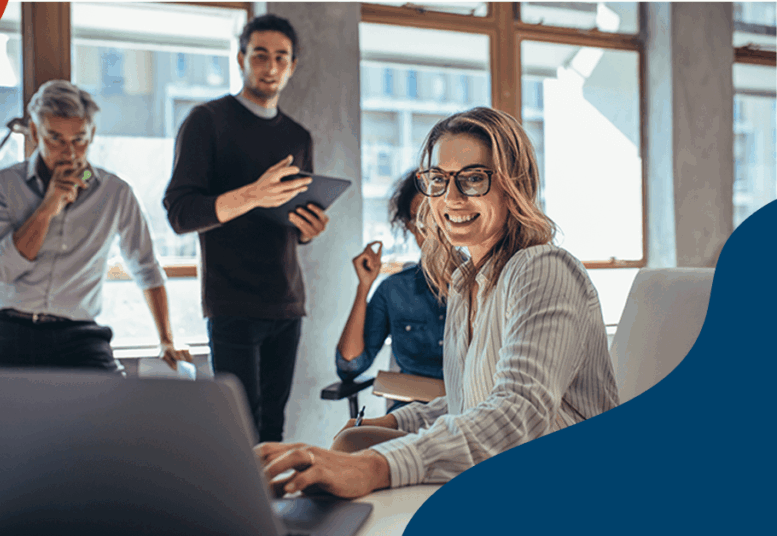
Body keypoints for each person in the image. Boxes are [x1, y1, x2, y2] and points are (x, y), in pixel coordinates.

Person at [255, 107, 620, 498]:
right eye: (438, 180)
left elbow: (517, 413)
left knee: (364, 468)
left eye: (474, 179)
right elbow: (468, 404)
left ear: (515, 185)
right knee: (348, 447)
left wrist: (377, 466)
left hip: (572, 489)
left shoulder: (543, 268)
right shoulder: (465, 282)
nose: (451, 198)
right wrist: (396, 424)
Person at [162, 14, 329, 442]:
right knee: (240, 431)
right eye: (260, 55)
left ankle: (271, 512)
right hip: (231, 302)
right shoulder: (207, 121)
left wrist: (309, 226)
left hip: (287, 300)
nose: (270, 66)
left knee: (273, 429)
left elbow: (292, 221)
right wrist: (253, 193)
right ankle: (241, 511)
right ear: (240, 58)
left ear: (292, 66)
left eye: (280, 58)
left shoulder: (298, 136)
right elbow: (180, 213)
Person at [0, 80, 191, 373]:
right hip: (8, 328)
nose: (70, 153)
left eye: (79, 139)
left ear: (92, 135)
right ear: (36, 133)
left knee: (111, 409)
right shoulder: (2, 185)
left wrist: (167, 340)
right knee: (10, 418)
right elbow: (2, 270)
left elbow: (146, 267)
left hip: (78, 334)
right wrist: (46, 209)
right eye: (55, 139)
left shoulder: (116, 192)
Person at [335, 172, 447, 412]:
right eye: (419, 221)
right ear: (408, 226)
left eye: (437, 218)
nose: (429, 231)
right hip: (409, 414)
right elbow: (350, 365)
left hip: (470, 415)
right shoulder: (394, 290)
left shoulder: (486, 285)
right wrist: (363, 286)